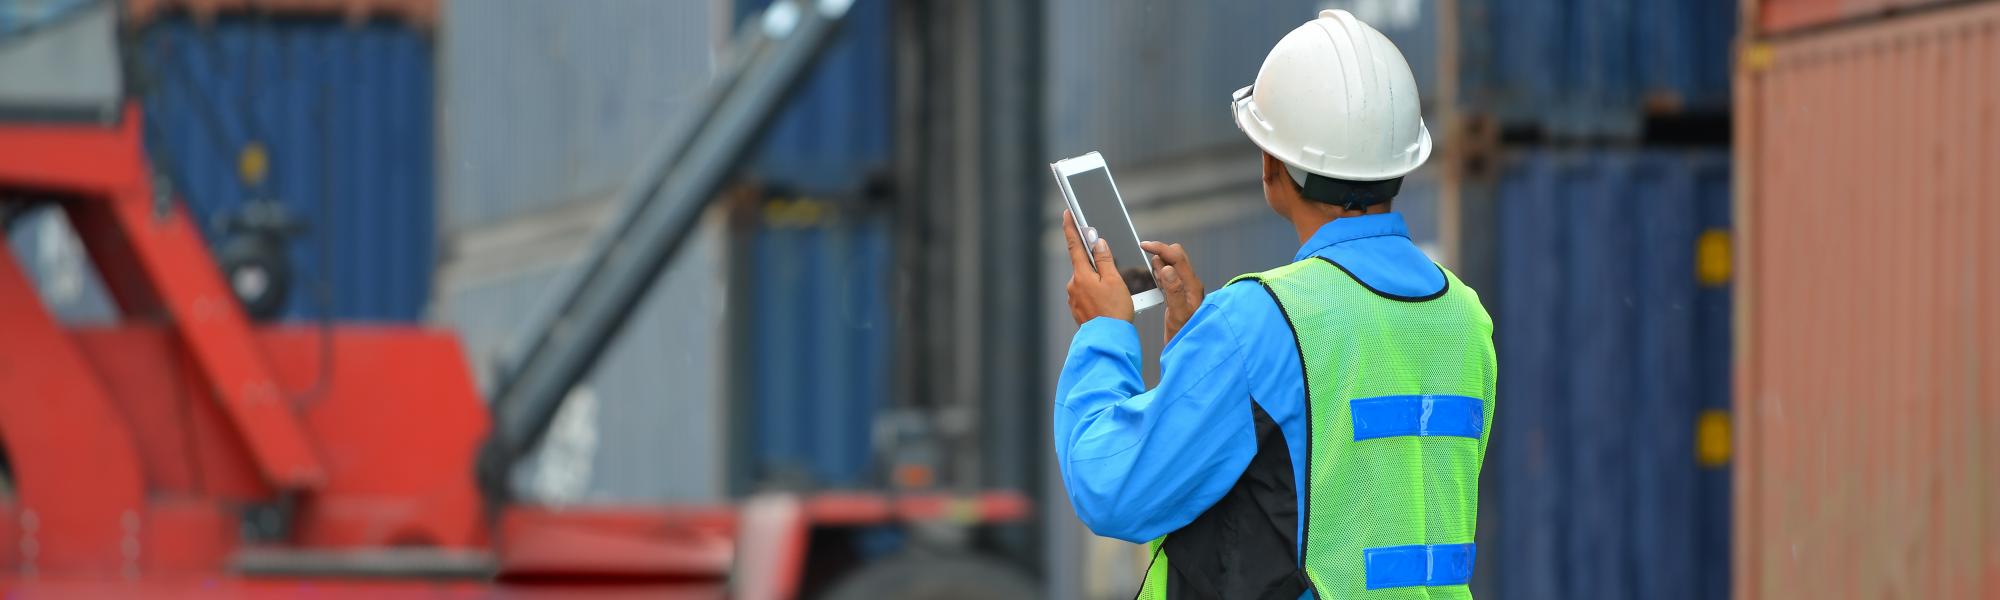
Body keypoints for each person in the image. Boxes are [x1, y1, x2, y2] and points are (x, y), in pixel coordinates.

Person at [1054, 9, 1497, 600]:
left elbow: (1111, 488)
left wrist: (1103, 333)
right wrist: (1199, 346)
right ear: (1399, 164)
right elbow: (1348, 483)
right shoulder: (1464, 315)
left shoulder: (1261, 320)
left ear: (1271, 164)